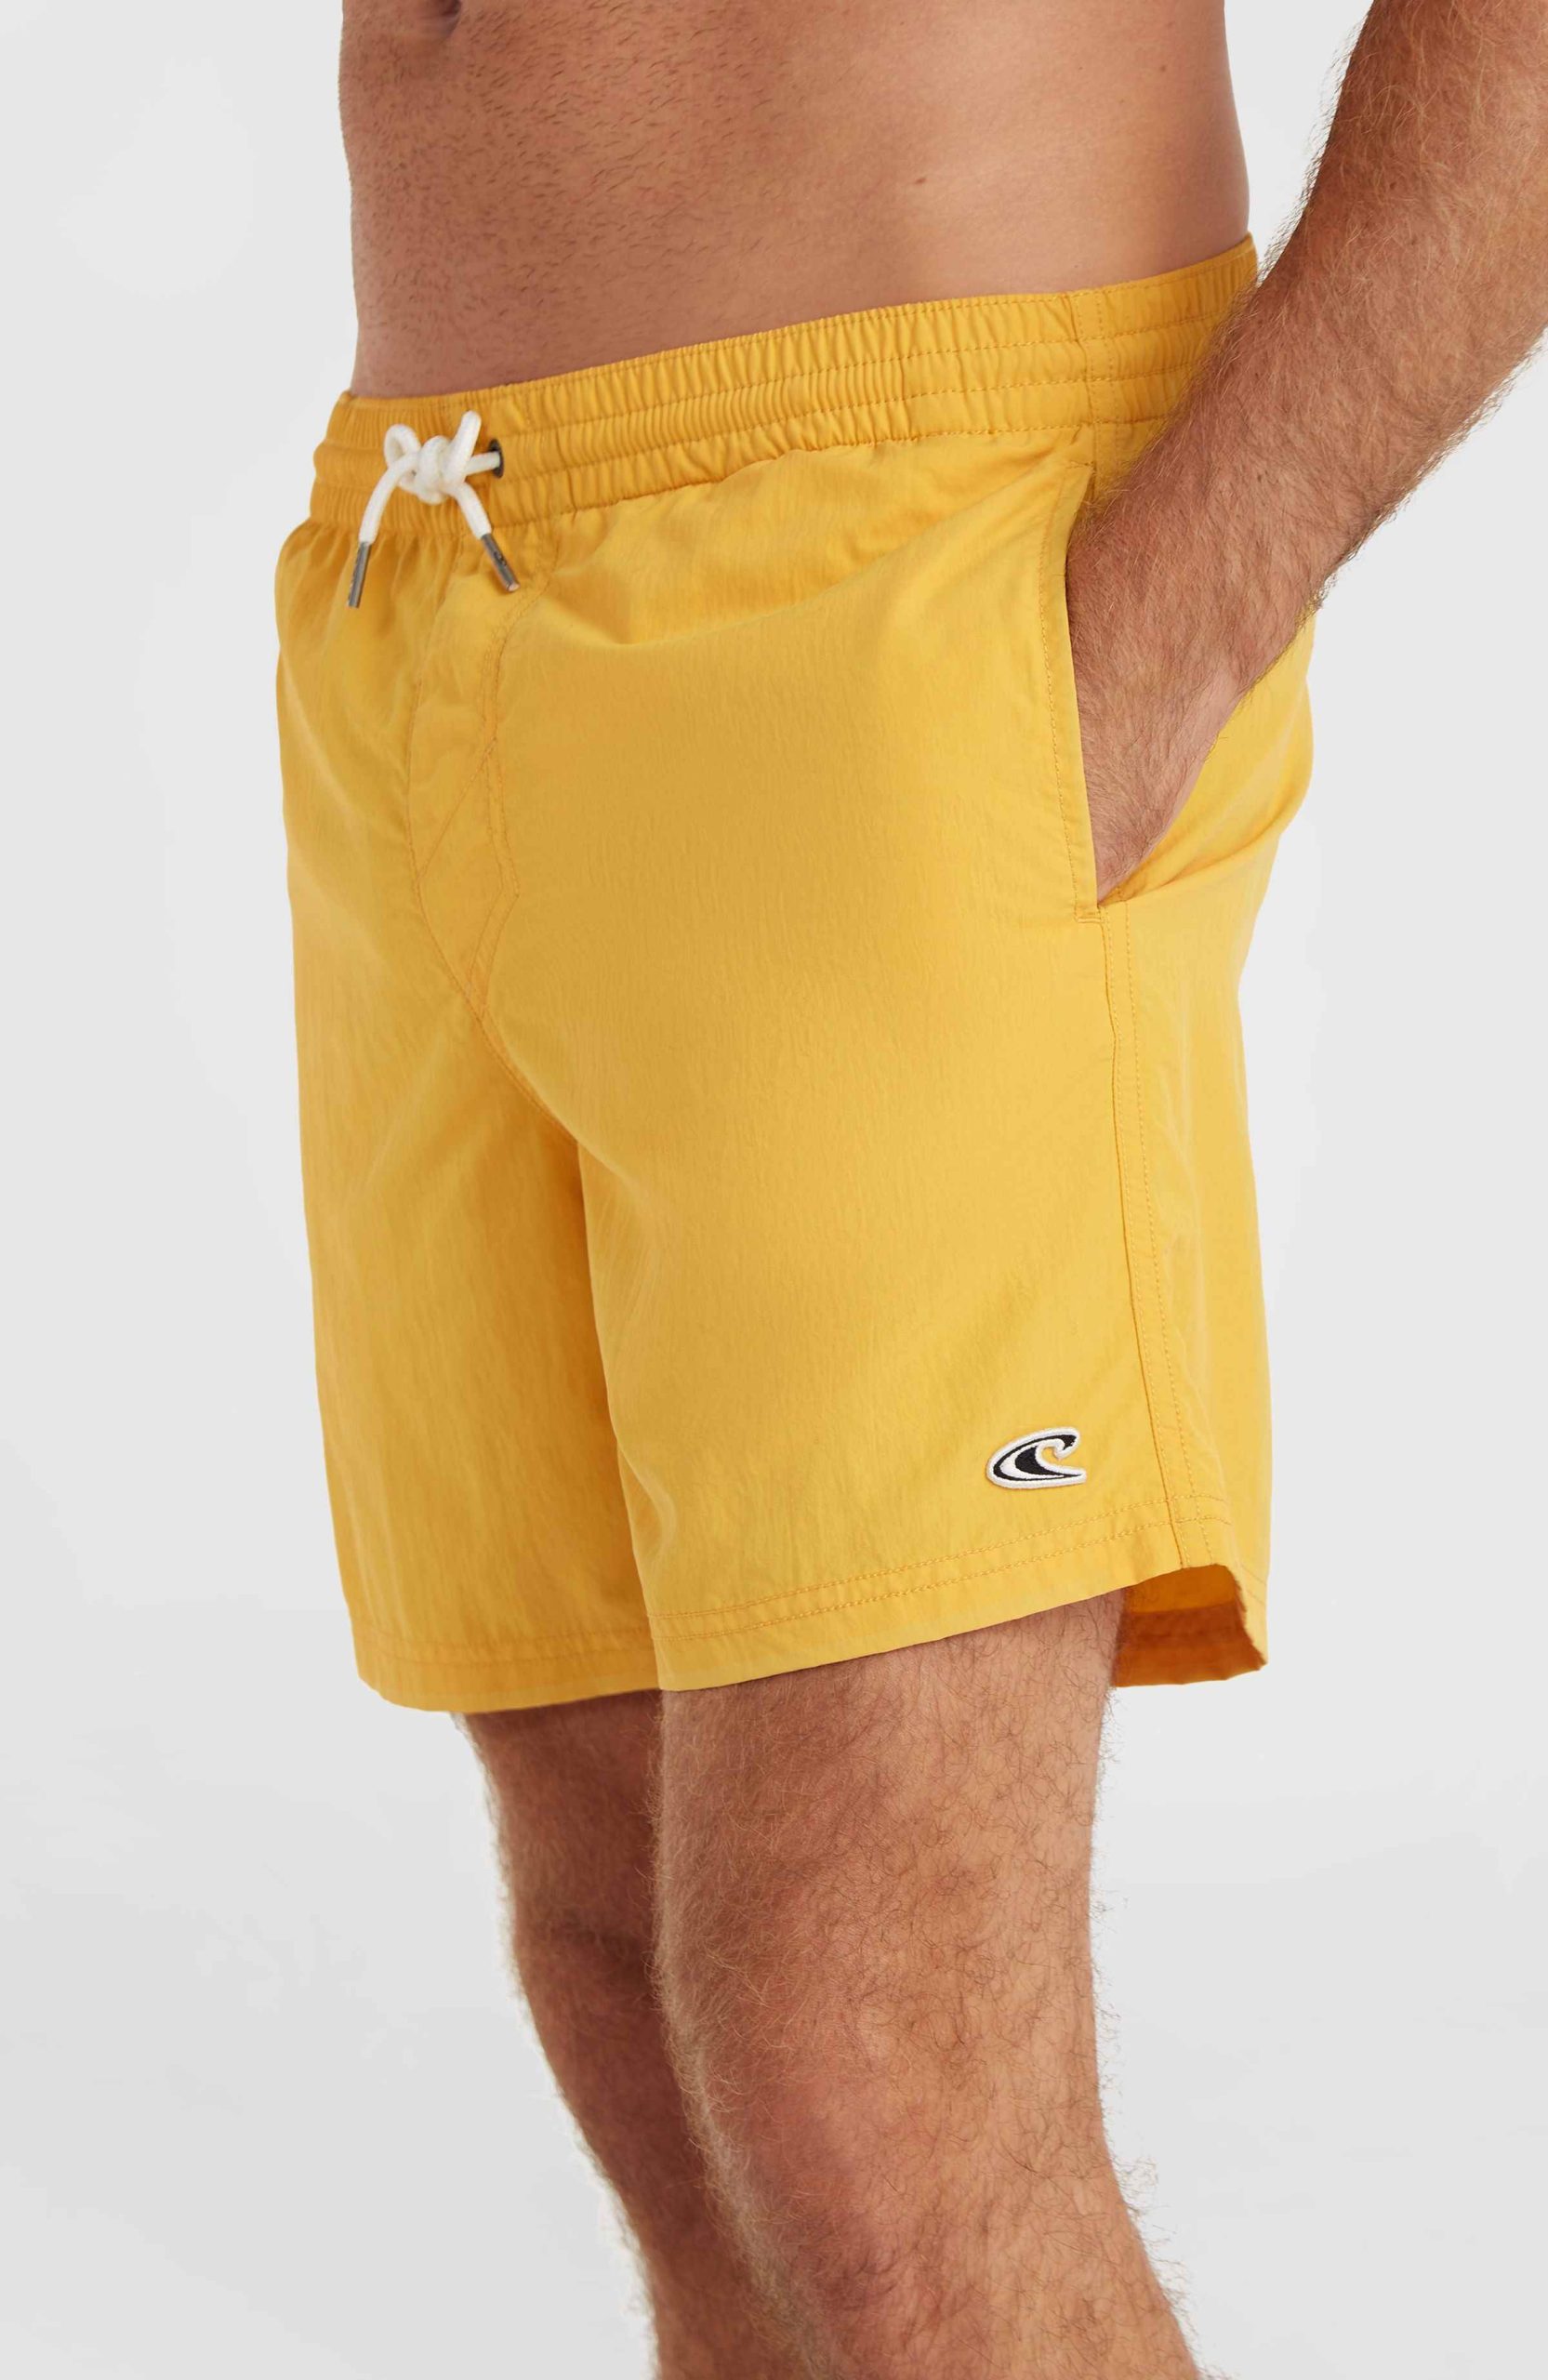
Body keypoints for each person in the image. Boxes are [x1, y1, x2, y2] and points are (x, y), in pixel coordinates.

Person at [274, 5, 1546, 2372]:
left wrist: (1170, 620)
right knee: (628, 1989)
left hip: (904, 552)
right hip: (422, 561)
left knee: (863, 2080)